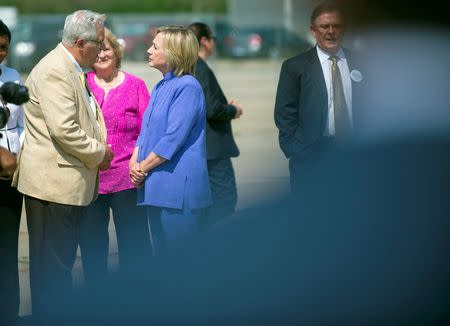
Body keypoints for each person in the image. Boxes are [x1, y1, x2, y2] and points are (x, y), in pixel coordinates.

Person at [12, 10, 114, 324]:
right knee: (52, 269)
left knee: (58, 265)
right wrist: (101, 154)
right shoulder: (56, 70)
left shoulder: (70, 67)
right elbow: (64, 129)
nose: (103, 48)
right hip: (53, 187)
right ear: (81, 42)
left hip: (64, 186)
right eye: (99, 42)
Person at [129, 25, 212, 254]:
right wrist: (134, 162)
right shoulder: (161, 85)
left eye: (155, 47)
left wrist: (142, 168)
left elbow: (172, 139)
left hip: (178, 191)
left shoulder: (188, 87)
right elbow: (145, 132)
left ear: (174, 53)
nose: (148, 50)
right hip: (155, 186)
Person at [80, 28, 151, 282]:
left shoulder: (136, 86)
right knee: (92, 248)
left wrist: (139, 161)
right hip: (91, 180)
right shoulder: (81, 84)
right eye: (96, 49)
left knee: (135, 247)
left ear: (116, 51)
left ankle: (139, 299)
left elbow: (148, 130)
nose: (101, 54)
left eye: (106, 48)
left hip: (127, 178)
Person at [274, 1, 364, 192]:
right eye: (324, 26)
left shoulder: (361, 62)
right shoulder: (294, 67)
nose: (331, 31)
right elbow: (284, 112)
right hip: (311, 156)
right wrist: (295, 148)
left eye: (336, 26)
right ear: (313, 30)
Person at [188, 22, 242, 229]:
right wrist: (232, 110)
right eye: (213, 39)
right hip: (212, 150)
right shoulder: (200, 67)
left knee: (207, 204)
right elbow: (211, 108)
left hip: (203, 149)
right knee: (224, 200)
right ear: (204, 41)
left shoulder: (189, 66)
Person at [0, 19, 24, 326]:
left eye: (4, 48)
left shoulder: (12, 76)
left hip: (10, 175)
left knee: (8, 248)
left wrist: (20, 155)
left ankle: (10, 313)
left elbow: (20, 124)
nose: (0, 53)